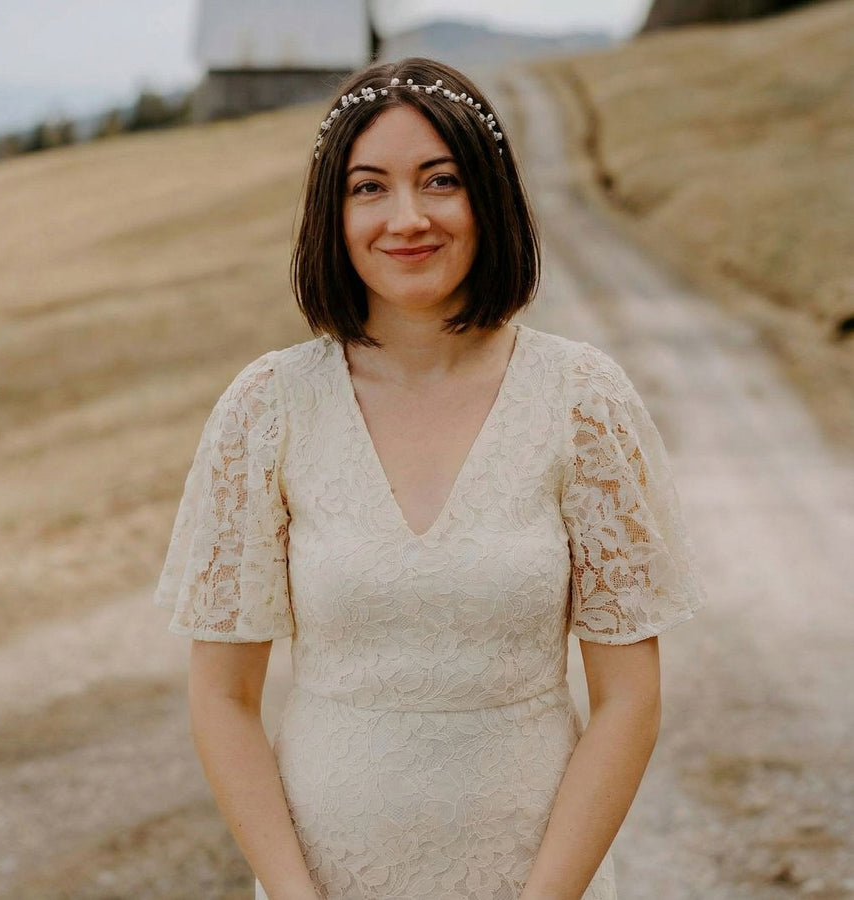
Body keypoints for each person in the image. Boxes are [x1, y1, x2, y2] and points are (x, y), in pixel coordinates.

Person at [154, 57, 705, 900]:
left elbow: (630, 699)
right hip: (325, 880)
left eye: (439, 181)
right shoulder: (269, 407)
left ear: (488, 197)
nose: (406, 218)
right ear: (331, 216)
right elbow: (223, 699)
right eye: (368, 187)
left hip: (533, 879)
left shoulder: (581, 400)